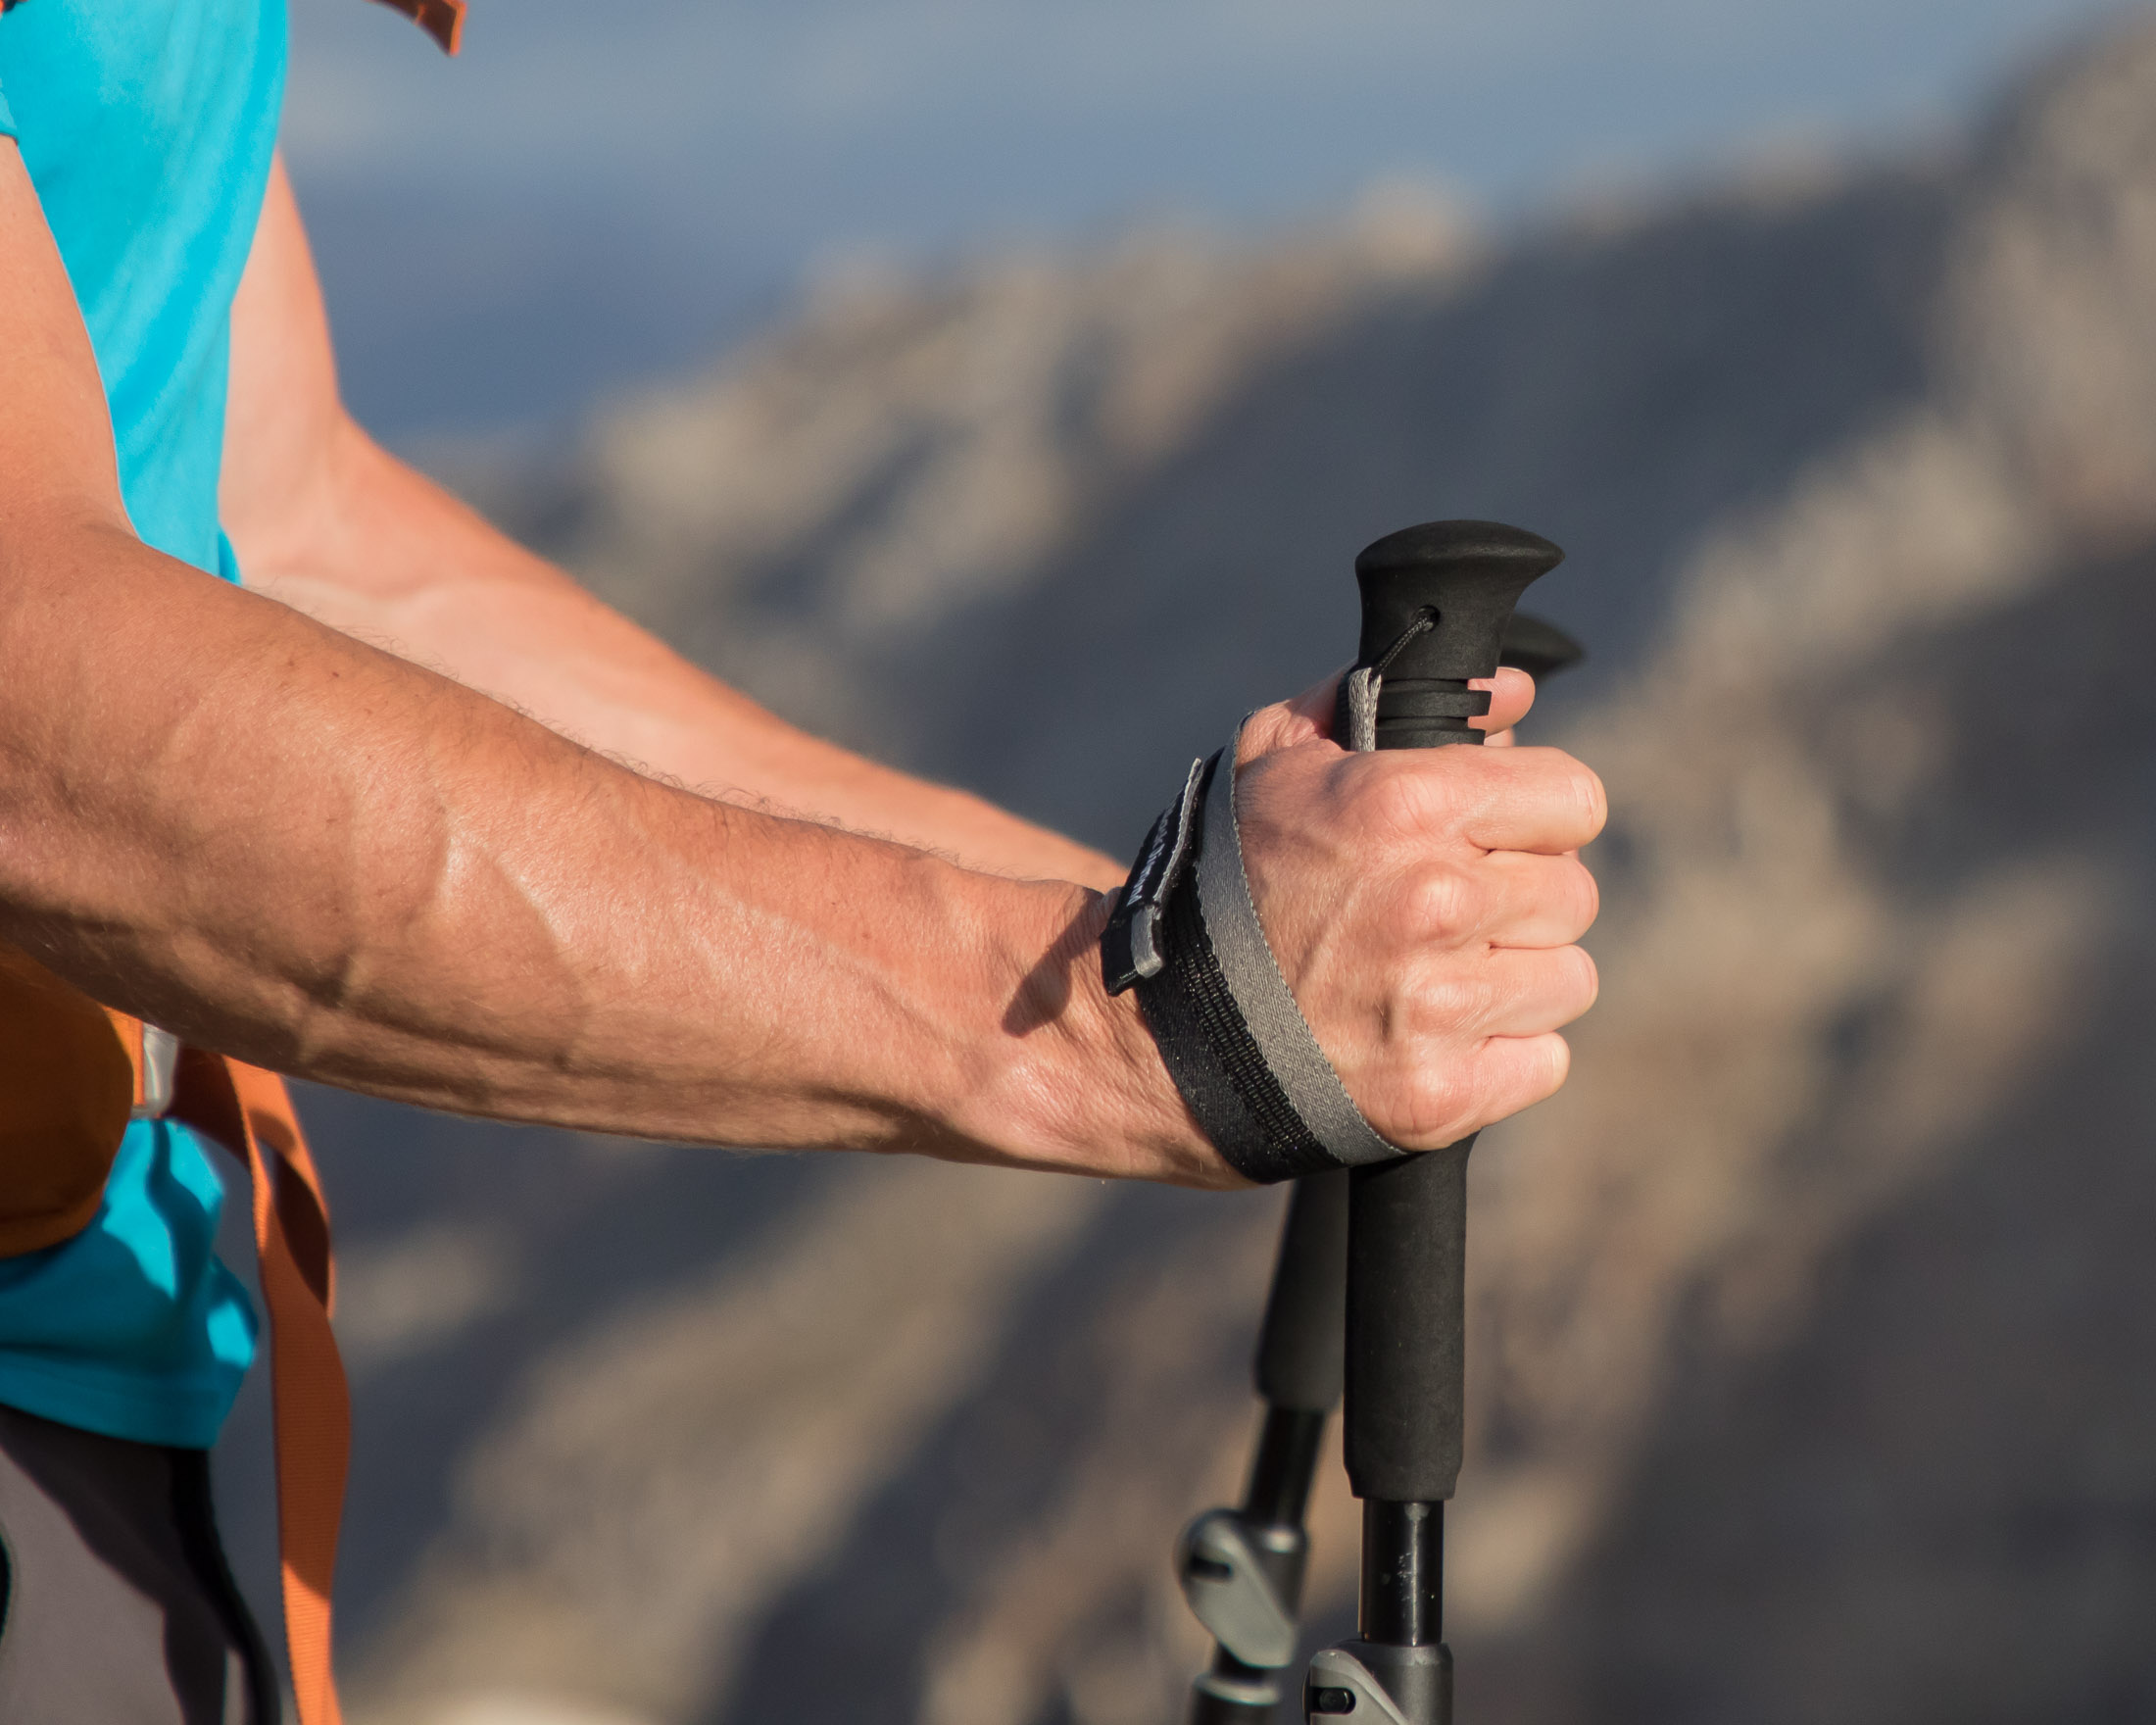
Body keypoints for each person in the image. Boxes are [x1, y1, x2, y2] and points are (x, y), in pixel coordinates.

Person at [0, 0, 1605, 1717]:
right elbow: (30, 687)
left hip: (120, 1352)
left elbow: (295, 525)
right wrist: (1145, 1032)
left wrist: (1170, 924)